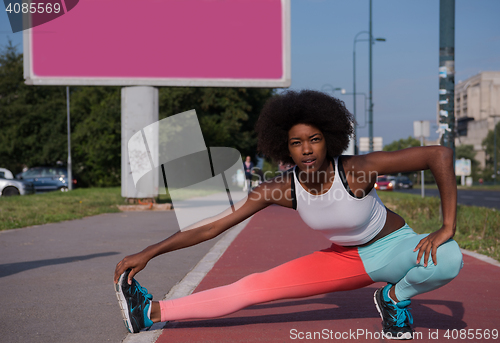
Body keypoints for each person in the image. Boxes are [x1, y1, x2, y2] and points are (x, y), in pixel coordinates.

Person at [114, 90, 463, 340]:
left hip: (396, 245)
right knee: (251, 289)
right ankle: (150, 312)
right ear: (285, 146)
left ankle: (393, 298)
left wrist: (447, 226)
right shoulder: (281, 189)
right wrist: (149, 252)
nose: (307, 149)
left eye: (314, 139)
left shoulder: (358, 169)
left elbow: (439, 155)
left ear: (329, 139)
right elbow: (213, 226)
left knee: (448, 258)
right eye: (297, 143)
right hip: (345, 259)